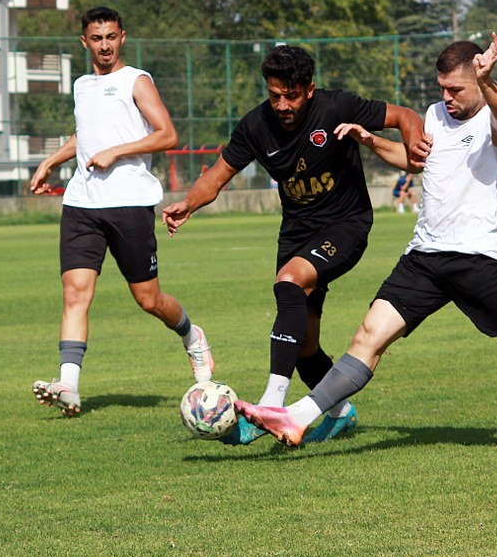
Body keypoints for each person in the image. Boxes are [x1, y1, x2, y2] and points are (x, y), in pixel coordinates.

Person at [236, 34, 497, 449]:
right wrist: (371, 140)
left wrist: (489, 84)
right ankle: (297, 418)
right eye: (442, 88)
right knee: (368, 337)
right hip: (424, 258)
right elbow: (416, 160)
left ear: (479, 80)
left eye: (456, 89)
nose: (446, 97)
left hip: (479, 258)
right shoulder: (434, 114)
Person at [161, 44, 428, 445]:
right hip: (297, 232)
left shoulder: (336, 106)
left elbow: (405, 116)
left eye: (290, 95)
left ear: (309, 89)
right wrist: (188, 204)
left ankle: (273, 403)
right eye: (274, 95)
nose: (282, 104)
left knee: (289, 281)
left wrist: (415, 142)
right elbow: (217, 176)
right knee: (304, 344)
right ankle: (338, 412)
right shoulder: (256, 125)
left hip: (345, 225)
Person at [28, 6, 214, 417]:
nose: (105, 45)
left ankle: (190, 334)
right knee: (75, 293)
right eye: (97, 38)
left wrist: (118, 151)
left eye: (111, 37)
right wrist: (52, 160)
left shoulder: (136, 80)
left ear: (122, 37)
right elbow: (87, 135)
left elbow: (167, 134)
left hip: (130, 203)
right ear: (84, 42)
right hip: (82, 204)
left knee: (148, 300)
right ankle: (69, 385)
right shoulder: (81, 86)